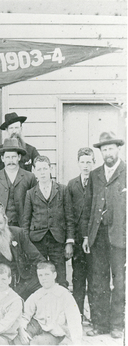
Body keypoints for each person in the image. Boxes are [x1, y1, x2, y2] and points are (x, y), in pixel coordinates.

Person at [80, 131, 126, 339]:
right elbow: (88, 207)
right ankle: (100, 324)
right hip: (97, 236)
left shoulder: (126, 172)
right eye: (104, 149)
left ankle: (117, 324)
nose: (108, 153)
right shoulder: (95, 175)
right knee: (98, 280)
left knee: (120, 281)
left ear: (118, 149)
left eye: (111, 148)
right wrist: (86, 236)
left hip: (120, 237)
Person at [21, 156, 75, 287]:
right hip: (37, 241)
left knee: (60, 276)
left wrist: (69, 242)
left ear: (51, 169)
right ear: (34, 171)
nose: (43, 172)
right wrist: (26, 244)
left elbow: (69, 217)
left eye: (45, 168)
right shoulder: (30, 193)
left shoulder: (62, 190)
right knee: (38, 276)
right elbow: (26, 221)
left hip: (57, 240)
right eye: (39, 169)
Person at [15, 262, 82, 345]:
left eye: (47, 274)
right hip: (39, 326)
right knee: (19, 338)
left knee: (37, 342)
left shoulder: (64, 294)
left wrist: (76, 342)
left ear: (54, 275)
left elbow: (74, 319)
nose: (44, 278)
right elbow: (25, 314)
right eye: (40, 275)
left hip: (56, 332)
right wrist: (21, 329)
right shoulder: (37, 294)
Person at [0, 138, 37, 233]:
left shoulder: (29, 177)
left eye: (14, 157)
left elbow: (36, 206)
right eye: (8, 157)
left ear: (19, 157)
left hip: (23, 229)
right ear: (2, 159)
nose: (11, 161)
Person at [67, 147, 95, 318]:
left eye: (89, 162)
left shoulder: (98, 182)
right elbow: (69, 214)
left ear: (94, 163)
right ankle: (77, 316)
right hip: (77, 240)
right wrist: (70, 239)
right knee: (78, 279)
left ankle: (95, 317)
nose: (85, 166)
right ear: (78, 163)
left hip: (94, 239)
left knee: (94, 278)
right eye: (82, 162)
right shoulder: (72, 184)